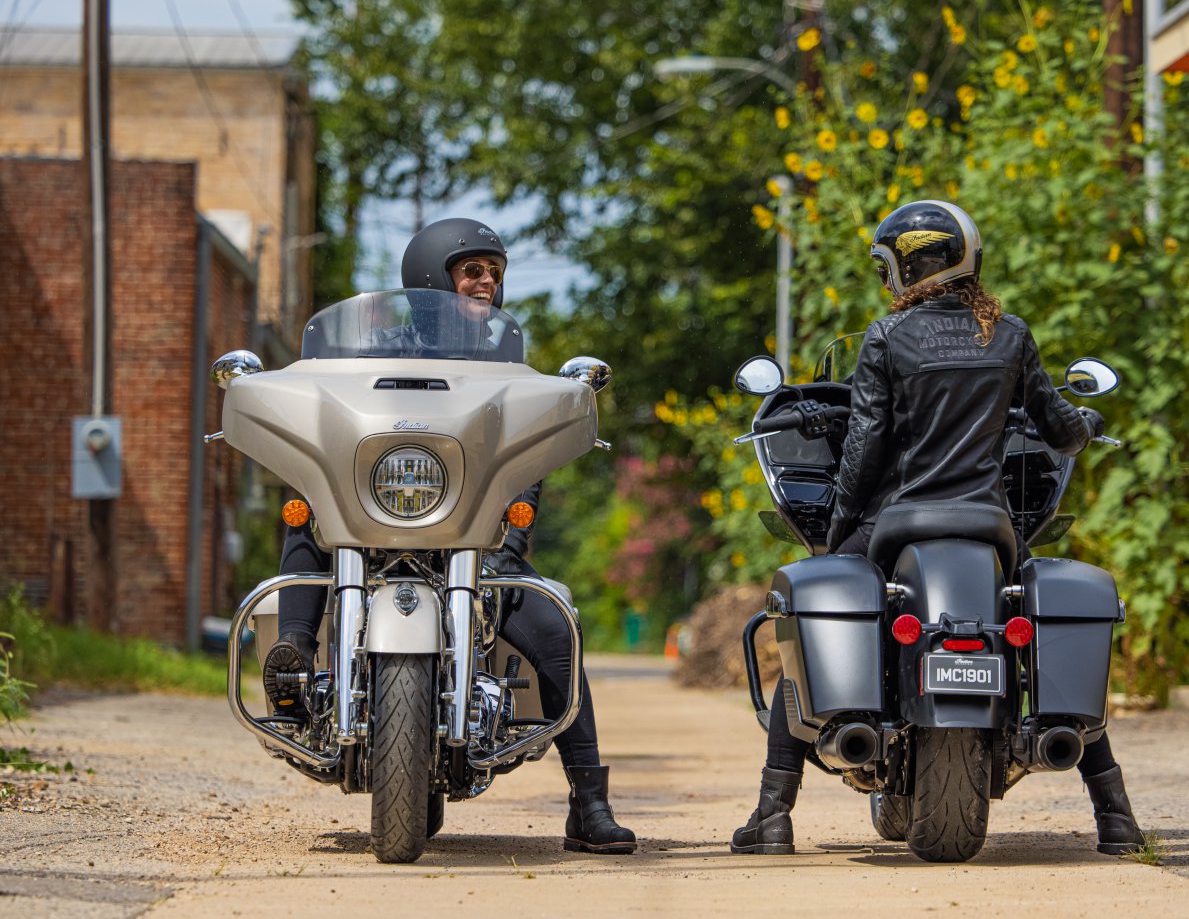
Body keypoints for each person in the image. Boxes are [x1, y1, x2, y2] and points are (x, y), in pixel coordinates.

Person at [733, 198, 1144, 859]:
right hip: (989, 525)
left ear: (905, 269)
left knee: (812, 620)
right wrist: (1089, 424)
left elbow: (865, 449)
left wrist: (837, 538)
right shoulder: (1009, 334)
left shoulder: (885, 338)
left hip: (900, 524)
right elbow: (1062, 431)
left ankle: (772, 815)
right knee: (1039, 629)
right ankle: (1117, 818)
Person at [263, 216, 635, 856]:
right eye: (473, 269)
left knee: (554, 631)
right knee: (307, 507)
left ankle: (589, 803)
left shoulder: (507, 364)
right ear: (435, 277)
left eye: (494, 271)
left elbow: (527, 453)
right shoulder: (371, 354)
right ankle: (292, 662)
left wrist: (509, 545)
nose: (487, 281)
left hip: (478, 548)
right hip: (374, 528)